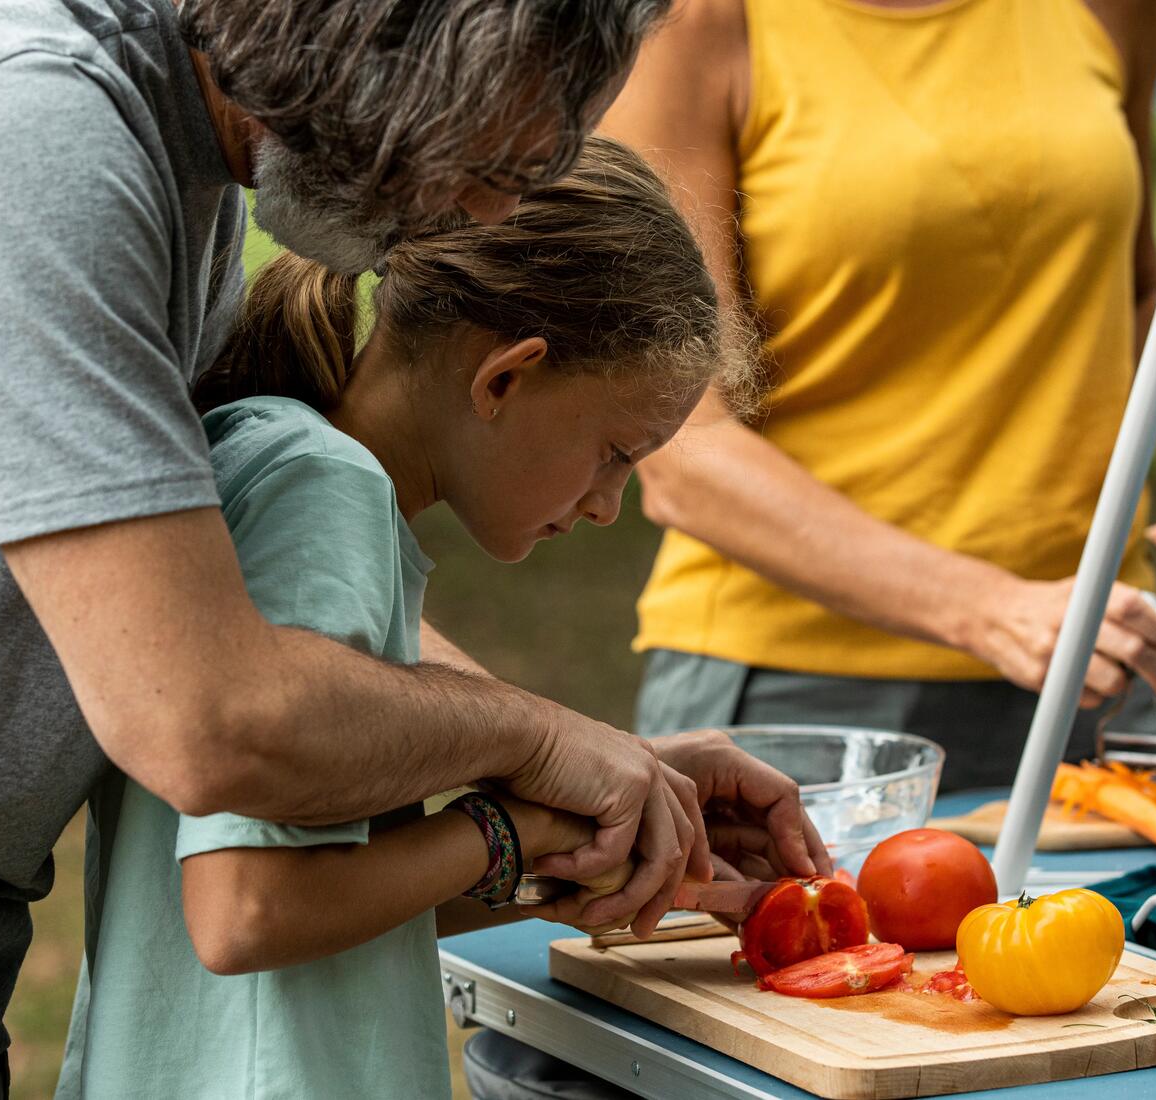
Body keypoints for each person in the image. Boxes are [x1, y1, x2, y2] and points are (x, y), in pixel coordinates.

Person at [0, 0, 825, 1092]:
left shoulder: (162, 146)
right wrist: (531, 754)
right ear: (399, 33)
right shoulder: (24, 127)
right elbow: (205, 715)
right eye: (505, 151)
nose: (488, 210)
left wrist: (599, 770)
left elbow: (217, 616)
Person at [56, 136, 757, 1099]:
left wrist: (585, 837)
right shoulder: (322, 492)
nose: (606, 506)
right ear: (505, 376)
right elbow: (245, 911)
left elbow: (330, 893)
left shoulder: (286, 462)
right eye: (613, 452)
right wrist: (511, 825)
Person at [603, 0, 1156, 786]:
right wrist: (994, 609)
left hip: (1105, 656)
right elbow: (681, 438)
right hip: (795, 688)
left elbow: (1132, 306)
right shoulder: (698, 21)